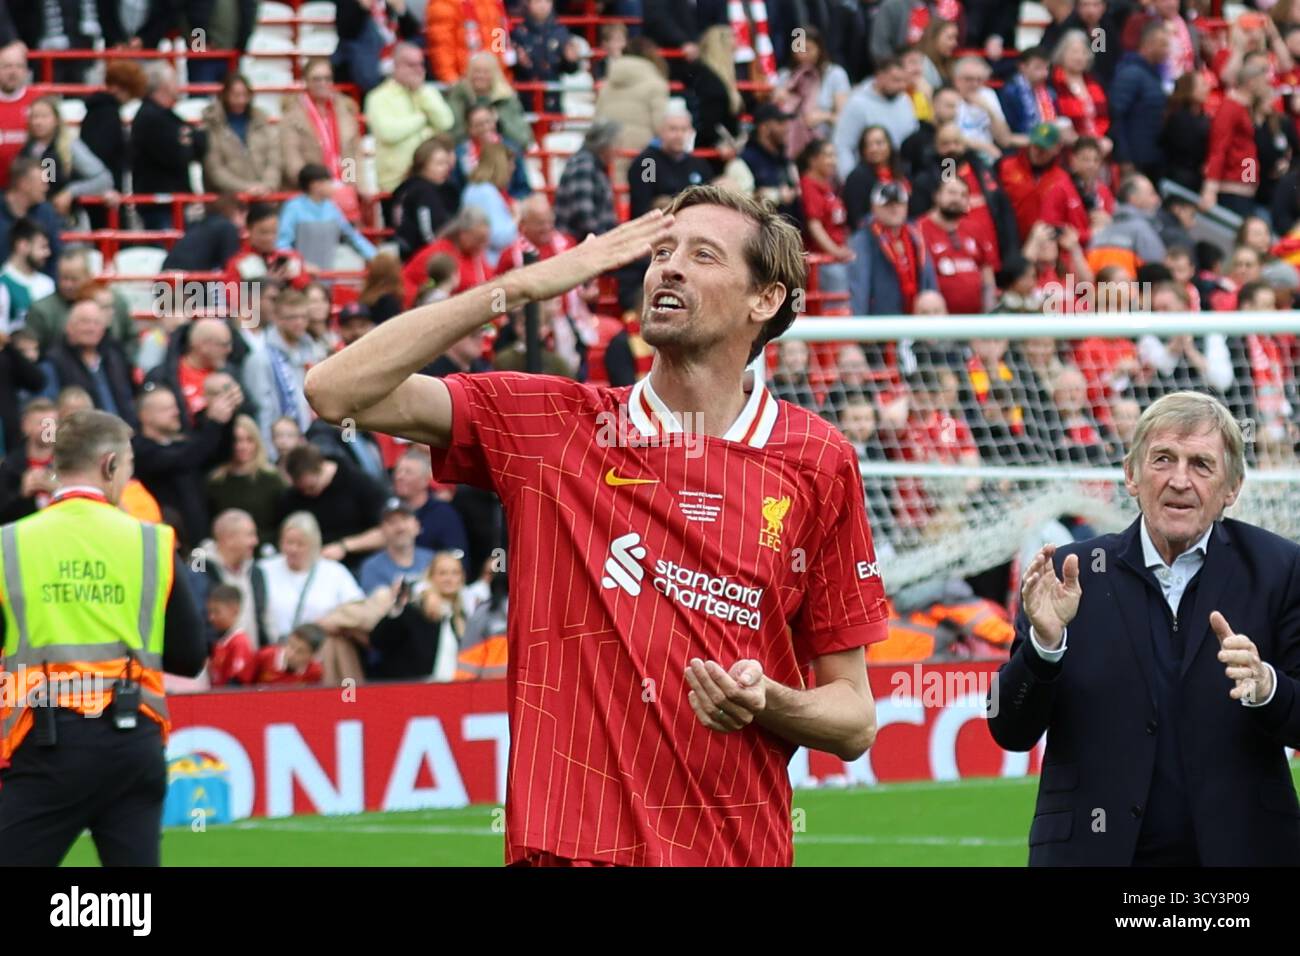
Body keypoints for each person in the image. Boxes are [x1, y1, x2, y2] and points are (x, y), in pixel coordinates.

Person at [306, 185, 889, 867]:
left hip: (737, 848)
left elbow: (854, 719)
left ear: (765, 300)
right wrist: (520, 286)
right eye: (661, 251)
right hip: (570, 848)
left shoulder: (818, 460)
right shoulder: (550, 425)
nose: (667, 267)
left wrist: (770, 701)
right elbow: (334, 390)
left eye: (702, 255)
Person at [989, 392, 1300, 865]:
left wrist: (1268, 688)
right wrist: (1043, 647)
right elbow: (1008, 727)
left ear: (1231, 488)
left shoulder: (1280, 569)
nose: (1180, 480)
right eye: (1163, 459)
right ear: (1131, 474)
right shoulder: (1072, 574)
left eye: (1201, 464)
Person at [0, 409, 206, 866]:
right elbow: (191, 656)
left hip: (46, 741)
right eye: (130, 467)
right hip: (134, 743)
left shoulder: (10, 542)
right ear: (110, 465)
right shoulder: (152, 541)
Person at [132, 379, 241, 549]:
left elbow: (218, 454)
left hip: (200, 542)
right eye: (167, 409)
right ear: (145, 416)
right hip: (168, 544)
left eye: (175, 406)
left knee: (200, 571)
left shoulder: (181, 444)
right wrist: (214, 422)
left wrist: (229, 414)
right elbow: (185, 459)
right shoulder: (140, 450)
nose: (176, 412)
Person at [364, 42, 456, 197]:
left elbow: (446, 122)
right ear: (395, 66)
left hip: (434, 179)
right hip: (397, 184)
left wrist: (420, 91)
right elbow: (388, 133)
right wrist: (422, 119)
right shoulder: (378, 97)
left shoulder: (428, 92)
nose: (418, 70)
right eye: (411, 65)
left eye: (421, 64)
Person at [280, 59, 364, 220]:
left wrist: (349, 185)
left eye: (327, 78)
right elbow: (292, 161)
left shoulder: (345, 112)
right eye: (317, 79)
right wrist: (319, 186)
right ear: (306, 81)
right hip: (309, 194)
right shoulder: (292, 117)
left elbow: (351, 154)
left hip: (343, 191)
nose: (323, 83)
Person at [259, 512, 365, 640]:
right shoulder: (264, 569)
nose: (293, 549)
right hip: (275, 650)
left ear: (314, 544)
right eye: (289, 542)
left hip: (320, 652)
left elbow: (357, 607)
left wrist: (331, 622)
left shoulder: (334, 572)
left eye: (300, 544)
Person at [19, 95, 115, 221]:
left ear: (56, 120)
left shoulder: (69, 146)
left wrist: (70, 192)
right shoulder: (27, 149)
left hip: (67, 220)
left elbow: (103, 179)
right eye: (34, 117)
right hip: (32, 219)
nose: (38, 122)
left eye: (44, 117)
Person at [848, 181, 937, 317]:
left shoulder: (916, 236)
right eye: (887, 204)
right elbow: (859, 287)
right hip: (881, 326)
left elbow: (929, 279)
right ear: (874, 207)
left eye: (899, 203)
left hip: (917, 321)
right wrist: (862, 328)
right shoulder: (864, 239)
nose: (894, 209)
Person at [130, 63, 200, 231]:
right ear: (165, 86)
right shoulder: (150, 117)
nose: (179, 85)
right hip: (160, 205)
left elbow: (197, 141)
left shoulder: (167, 116)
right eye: (175, 80)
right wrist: (186, 144)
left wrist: (187, 142)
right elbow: (176, 155)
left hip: (172, 203)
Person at [206, 416, 287, 549]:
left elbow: (284, 523)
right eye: (236, 440)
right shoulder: (216, 482)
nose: (242, 446)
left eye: (249, 440)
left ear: (257, 442)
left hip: (267, 551)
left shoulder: (272, 479)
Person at [276, 163, 378, 268]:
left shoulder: (331, 207)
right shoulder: (293, 207)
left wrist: (376, 257)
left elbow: (351, 236)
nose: (333, 186)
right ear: (315, 185)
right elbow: (282, 243)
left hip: (327, 274)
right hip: (300, 276)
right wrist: (300, 266)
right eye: (328, 182)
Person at [832, 56, 919, 176]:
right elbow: (843, 146)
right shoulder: (857, 104)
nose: (902, 86)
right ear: (879, 77)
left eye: (904, 81)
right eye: (896, 80)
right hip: (867, 176)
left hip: (899, 173)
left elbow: (912, 135)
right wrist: (850, 180)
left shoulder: (904, 100)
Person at [202, 507, 275, 647]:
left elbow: (265, 620)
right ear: (229, 539)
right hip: (216, 665)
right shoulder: (201, 572)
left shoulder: (256, 573)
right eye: (250, 535)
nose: (255, 541)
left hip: (253, 664)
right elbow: (200, 622)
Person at [1110, 20, 1171, 181]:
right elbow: (1116, 117)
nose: (1167, 51)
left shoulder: (1153, 74)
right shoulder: (1130, 74)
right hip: (1135, 160)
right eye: (1163, 45)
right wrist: (1124, 159)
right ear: (1149, 44)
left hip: (1151, 157)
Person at [201, 73, 280, 195]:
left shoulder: (261, 121)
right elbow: (215, 169)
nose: (241, 100)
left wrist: (267, 185)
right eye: (236, 95)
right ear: (225, 95)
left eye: (245, 95)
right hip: (226, 198)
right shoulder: (212, 125)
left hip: (264, 195)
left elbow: (274, 159)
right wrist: (246, 188)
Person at [392, 135, 458, 260]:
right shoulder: (423, 192)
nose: (446, 168)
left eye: (446, 163)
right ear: (423, 166)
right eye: (439, 164)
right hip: (424, 261)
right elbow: (429, 235)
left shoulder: (406, 187)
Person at [554, 120, 619, 242]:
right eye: (614, 144)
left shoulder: (593, 165)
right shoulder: (584, 165)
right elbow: (583, 215)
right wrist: (609, 240)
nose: (617, 150)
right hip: (580, 243)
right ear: (603, 145)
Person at [358, 497, 435, 594]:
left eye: (405, 519)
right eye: (392, 522)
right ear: (382, 530)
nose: (400, 527)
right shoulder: (372, 567)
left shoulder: (433, 560)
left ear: (417, 525)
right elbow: (375, 605)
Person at [0, 397, 55, 522]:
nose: (49, 429)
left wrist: (59, 491)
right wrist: (22, 494)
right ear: (26, 426)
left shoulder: (71, 462)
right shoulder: (9, 467)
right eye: (42, 423)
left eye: (53, 422)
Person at [206, 584, 256, 686]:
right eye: (210, 612)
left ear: (234, 610)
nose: (211, 617)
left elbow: (236, 685)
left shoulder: (239, 642)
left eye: (216, 612)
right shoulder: (222, 641)